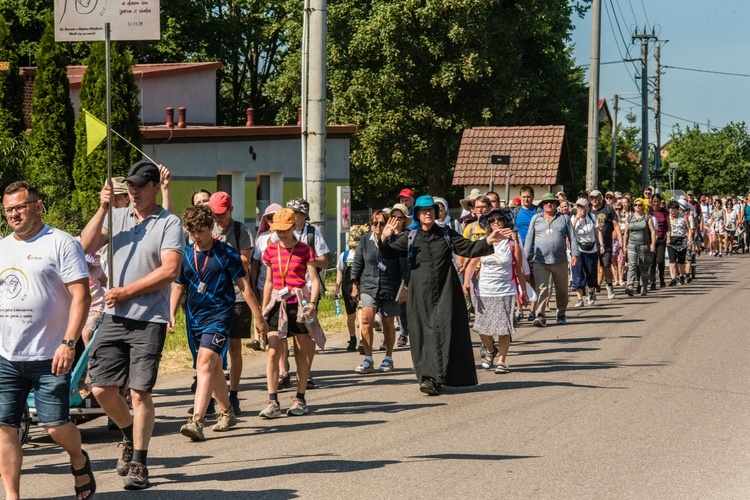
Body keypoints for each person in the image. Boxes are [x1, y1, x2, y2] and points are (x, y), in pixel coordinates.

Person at [80, 161, 184, 490]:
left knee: (139, 393)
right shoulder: (118, 217)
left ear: (155, 187)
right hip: (114, 317)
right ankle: (128, 431)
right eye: (130, 186)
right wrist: (102, 208)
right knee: (101, 389)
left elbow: (170, 271)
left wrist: (127, 291)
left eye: (141, 185)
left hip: (148, 319)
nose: (134, 191)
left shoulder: (170, 223)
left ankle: (140, 461)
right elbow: (85, 246)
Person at [0, 181, 94, 500]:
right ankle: (12, 496)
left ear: (38, 206)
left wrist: (68, 343)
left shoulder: (61, 243)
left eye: (20, 207)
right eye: (9, 209)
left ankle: (79, 460)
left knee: (54, 427)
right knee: (5, 426)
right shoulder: (2, 247)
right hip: (6, 356)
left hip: (50, 353)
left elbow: (81, 294)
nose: (14, 214)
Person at [379, 195, 506, 395]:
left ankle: (445, 376)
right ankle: (428, 379)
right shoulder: (410, 236)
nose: (427, 213)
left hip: (447, 291)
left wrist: (488, 240)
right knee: (423, 335)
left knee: (446, 331)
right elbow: (388, 254)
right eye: (423, 210)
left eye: (431, 209)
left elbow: (468, 248)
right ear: (417, 215)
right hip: (419, 295)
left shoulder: (447, 233)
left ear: (436, 212)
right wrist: (385, 237)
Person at [169, 205, 267, 441]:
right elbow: (179, 286)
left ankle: (197, 421)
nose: (196, 237)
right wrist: (170, 312)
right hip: (194, 318)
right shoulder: (186, 255)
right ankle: (227, 411)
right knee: (211, 368)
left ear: (210, 227)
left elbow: (244, 286)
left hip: (221, 315)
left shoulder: (226, 254)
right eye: (191, 232)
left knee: (204, 364)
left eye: (200, 231)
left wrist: (258, 317)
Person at [259, 209, 324, 418]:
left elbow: (314, 280)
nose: (282, 233)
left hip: (300, 303)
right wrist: (262, 311)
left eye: (286, 229)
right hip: (278, 303)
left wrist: (312, 303)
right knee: (272, 351)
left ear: (293, 226)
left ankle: (300, 397)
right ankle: (272, 400)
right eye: (278, 229)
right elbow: (268, 282)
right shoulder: (270, 250)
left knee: (301, 352)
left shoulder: (305, 249)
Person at [208, 192, 256, 414]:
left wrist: (225, 249)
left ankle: (234, 393)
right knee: (211, 351)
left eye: (221, 215)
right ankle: (210, 395)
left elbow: (245, 263)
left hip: (236, 295)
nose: (218, 220)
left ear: (231, 210)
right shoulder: (206, 229)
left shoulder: (241, 231)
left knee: (234, 347)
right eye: (214, 215)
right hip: (212, 297)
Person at [351, 210, 409, 374]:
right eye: (374, 223)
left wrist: (404, 286)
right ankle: (368, 359)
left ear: (388, 224)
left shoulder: (396, 241)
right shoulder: (365, 240)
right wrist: (355, 285)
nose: (378, 226)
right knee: (366, 319)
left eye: (381, 223)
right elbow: (358, 263)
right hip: (368, 284)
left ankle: (388, 358)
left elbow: (404, 265)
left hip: (390, 285)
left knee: (388, 322)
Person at [470, 208, 527, 374]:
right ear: (488, 225)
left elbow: (519, 269)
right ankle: (490, 350)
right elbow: (472, 263)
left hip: (505, 290)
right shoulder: (483, 242)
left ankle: (501, 360)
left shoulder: (511, 243)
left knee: (504, 328)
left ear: (505, 221)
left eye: (499, 219)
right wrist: (465, 282)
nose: (496, 223)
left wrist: (523, 291)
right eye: (492, 221)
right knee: (482, 329)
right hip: (484, 290)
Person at [524, 193, 579, 326]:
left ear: (556, 205)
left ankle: (561, 313)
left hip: (560, 260)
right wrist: (524, 260)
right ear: (542, 205)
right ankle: (540, 315)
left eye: (552, 202)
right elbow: (529, 239)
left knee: (562, 290)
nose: (549, 204)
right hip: (540, 261)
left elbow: (572, 236)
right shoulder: (536, 219)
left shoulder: (564, 219)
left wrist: (574, 254)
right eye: (546, 202)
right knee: (542, 289)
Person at [588, 190, 623, 299]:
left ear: (601, 198)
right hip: (592, 244)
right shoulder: (588, 210)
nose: (593, 200)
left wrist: (620, 239)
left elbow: (616, 225)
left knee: (605, 266)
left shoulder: (608, 208)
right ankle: (592, 291)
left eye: (596, 198)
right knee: (591, 268)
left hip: (606, 243)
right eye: (591, 198)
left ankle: (609, 285)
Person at [335, 226, 365, 352]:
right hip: (347, 289)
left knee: (362, 315)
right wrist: (336, 290)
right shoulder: (345, 255)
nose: (354, 247)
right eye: (353, 245)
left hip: (363, 287)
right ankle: (352, 338)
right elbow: (340, 272)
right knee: (351, 316)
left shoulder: (365, 254)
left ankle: (363, 340)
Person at [570, 198, 604, 307]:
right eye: (578, 206)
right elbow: (570, 230)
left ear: (586, 207)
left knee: (591, 273)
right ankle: (579, 299)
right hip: (578, 250)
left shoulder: (592, 217)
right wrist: (576, 218)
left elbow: (598, 231)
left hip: (591, 249)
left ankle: (591, 292)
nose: (580, 209)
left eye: (582, 207)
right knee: (577, 274)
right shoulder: (573, 218)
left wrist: (601, 245)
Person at [514, 185, 539, 321]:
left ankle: (532, 309)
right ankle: (519, 308)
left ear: (533, 197)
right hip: (519, 251)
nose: (526, 199)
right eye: (524, 197)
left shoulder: (538, 211)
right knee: (519, 281)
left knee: (533, 281)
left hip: (535, 251)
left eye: (528, 197)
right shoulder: (515, 212)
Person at [389, 203, 412, 348]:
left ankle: (404, 333)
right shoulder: (386, 234)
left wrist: (405, 282)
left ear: (404, 220)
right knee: (391, 307)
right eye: (394, 217)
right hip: (389, 273)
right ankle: (389, 336)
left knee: (403, 305)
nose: (397, 220)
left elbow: (407, 259)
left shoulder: (408, 235)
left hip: (404, 271)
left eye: (400, 217)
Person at [623, 198, 657, 296]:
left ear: (643, 206)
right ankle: (630, 287)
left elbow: (653, 231)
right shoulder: (629, 218)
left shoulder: (647, 218)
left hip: (644, 245)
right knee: (632, 266)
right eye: (635, 205)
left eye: (639, 205)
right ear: (633, 207)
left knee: (644, 267)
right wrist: (624, 246)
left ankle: (644, 287)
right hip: (632, 245)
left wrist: (652, 244)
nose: (637, 206)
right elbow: (626, 233)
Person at [666, 200, 692, 285]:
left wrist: (689, 239)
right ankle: (673, 278)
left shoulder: (683, 216)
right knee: (672, 260)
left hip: (682, 241)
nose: (673, 212)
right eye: (671, 210)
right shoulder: (667, 218)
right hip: (671, 241)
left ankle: (681, 275)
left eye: (674, 210)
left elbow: (689, 229)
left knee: (681, 261)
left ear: (678, 209)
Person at [648, 194, 670, 289]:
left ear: (661, 201)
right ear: (651, 201)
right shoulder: (649, 212)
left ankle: (661, 278)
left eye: (658, 201)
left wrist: (668, 235)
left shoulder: (664, 212)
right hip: (651, 239)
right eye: (654, 201)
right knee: (652, 261)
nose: (656, 203)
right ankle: (652, 282)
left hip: (661, 238)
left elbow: (668, 225)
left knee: (660, 260)